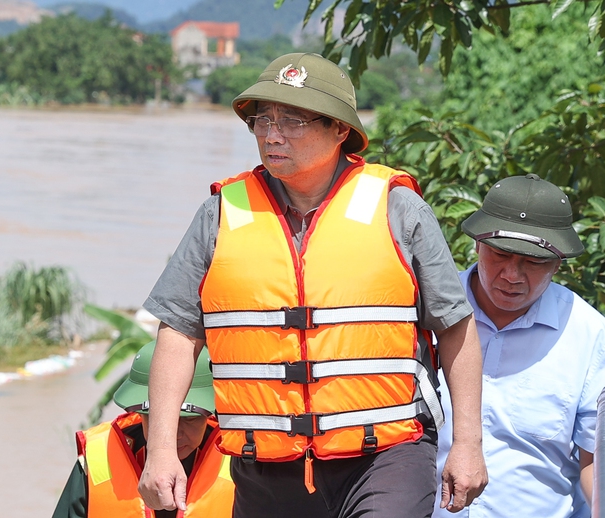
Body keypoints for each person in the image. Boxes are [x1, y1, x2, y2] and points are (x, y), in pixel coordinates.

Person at [138, 52, 487, 518]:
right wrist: (161, 449)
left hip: (386, 456)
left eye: (293, 120)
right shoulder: (221, 214)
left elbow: (456, 329)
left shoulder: (397, 208)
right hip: (264, 467)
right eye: (263, 120)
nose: (271, 134)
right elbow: (178, 333)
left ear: (340, 130)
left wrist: (467, 443)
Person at [433, 174, 605, 517]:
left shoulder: (590, 335)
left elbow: (593, 461)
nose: (512, 274)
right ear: (477, 245)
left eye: (534, 262)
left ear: (559, 264)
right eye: (500, 254)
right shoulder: (426, 313)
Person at [52, 340, 234, 518]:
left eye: (191, 419)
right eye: (157, 417)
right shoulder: (97, 456)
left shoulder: (239, 457)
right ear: (141, 414)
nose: (175, 434)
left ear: (209, 414)